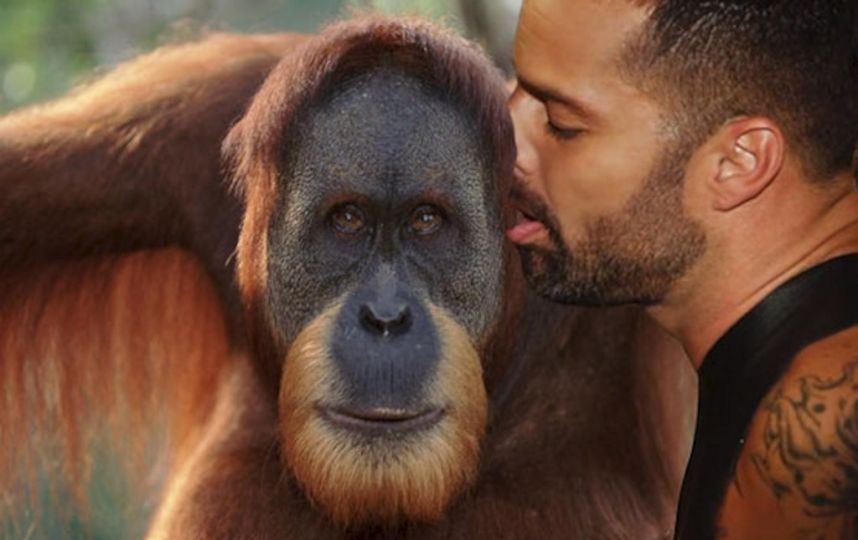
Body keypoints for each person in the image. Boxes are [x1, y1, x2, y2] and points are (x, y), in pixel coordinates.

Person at [505, 0, 858, 539]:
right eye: (516, 85)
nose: (506, 139)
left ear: (739, 162)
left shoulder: (812, 431)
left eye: (561, 123)